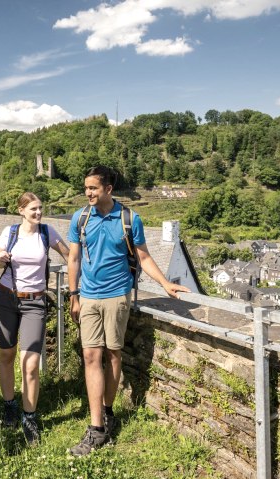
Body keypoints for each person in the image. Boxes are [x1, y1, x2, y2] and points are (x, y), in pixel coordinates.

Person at [67, 166, 189, 456]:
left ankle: (107, 412)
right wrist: (74, 295)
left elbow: (143, 256)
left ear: (108, 189)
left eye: (93, 188)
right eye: (86, 188)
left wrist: (165, 284)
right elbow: (73, 258)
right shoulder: (80, 218)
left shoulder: (129, 219)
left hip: (117, 296)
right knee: (90, 355)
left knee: (112, 354)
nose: (88, 193)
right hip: (88, 296)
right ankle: (96, 428)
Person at [0, 192, 69, 445]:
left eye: (40, 208)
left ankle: (30, 417)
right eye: (33, 209)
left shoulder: (47, 232)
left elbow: (70, 255)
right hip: (6, 298)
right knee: (6, 354)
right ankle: (10, 404)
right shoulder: (9, 232)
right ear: (21, 210)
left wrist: (80, 282)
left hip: (35, 302)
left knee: (31, 364)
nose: (38, 212)